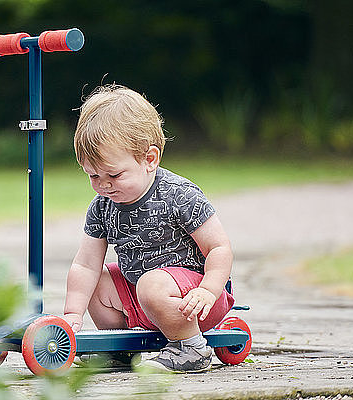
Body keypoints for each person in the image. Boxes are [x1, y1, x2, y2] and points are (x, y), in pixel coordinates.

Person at [63, 84, 234, 373]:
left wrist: (208, 290)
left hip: (194, 302)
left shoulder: (178, 195)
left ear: (149, 159)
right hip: (142, 298)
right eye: (93, 175)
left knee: (152, 284)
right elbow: (85, 264)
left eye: (114, 174)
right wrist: (71, 315)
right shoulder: (102, 206)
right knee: (96, 281)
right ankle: (120, 348)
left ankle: (192, 348)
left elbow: (219, 248)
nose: (103, 185)